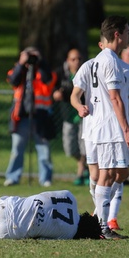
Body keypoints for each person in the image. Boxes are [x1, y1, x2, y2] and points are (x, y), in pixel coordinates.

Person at [78, 15, 129, 239]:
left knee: (113, 174)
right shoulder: (111, 61)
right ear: (117, 34)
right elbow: (115, 99)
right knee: (106, 176)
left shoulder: (99, 60)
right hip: (109, 127)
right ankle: (101, 227)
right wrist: (126, 129)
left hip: (104, 128)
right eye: (127, 30)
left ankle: (100, 224)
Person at [3, 47, 57, 187]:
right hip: (21, 116)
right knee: (17, 149)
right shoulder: (19, 70)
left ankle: (45, 178)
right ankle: (13, 177)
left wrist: (41, 62)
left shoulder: (43, 71)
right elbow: (12, 80)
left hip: (41, 116)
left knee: (43, 149)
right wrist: (22, 63)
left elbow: (49, 80)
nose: (31, 59)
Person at [53, 48, 88, 186]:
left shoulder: (87, 73)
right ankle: (84, 166)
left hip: (84, 116)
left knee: (84, 147)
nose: (76, 62)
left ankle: (81, 173)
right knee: (70, 148)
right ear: (68, 61)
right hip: (68, 116)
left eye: (79, 59)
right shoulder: (61, 74)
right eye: (73, 59)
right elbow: (53, 88)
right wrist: (56, 94)